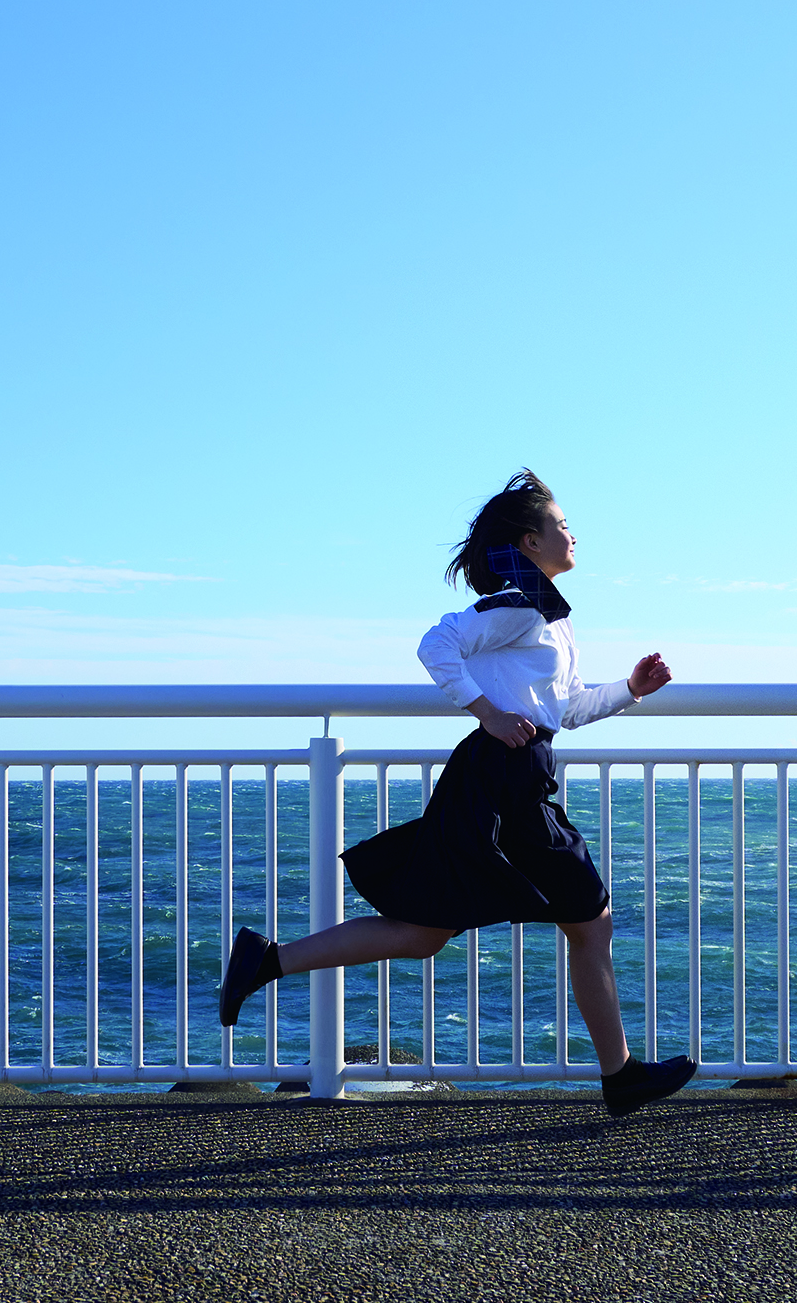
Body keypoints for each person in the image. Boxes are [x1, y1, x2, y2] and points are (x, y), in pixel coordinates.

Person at [219, 469, 697, 1114]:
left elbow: (566, 707)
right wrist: (485, 712)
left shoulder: (548, 614)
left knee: (426, 931)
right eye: (561, 525)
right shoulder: (518, 604)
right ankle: (620, 1077)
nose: (573, 534)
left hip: (513, 773)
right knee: (588, 919)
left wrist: (630, 691)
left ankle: (268, 961)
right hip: (503, 778)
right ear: (529, 541)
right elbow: (436, 643)